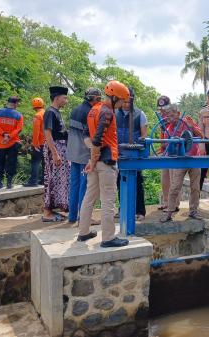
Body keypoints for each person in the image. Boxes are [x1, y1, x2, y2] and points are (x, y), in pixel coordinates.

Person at [78, 80, 129, 247]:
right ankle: (108, 238)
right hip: (106, 162)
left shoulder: (94, 109)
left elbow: (87, 136)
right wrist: (94, 159)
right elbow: (98, 139)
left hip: (95, 161)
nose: (122, 104)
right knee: (108, 200)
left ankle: (83, 233)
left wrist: (92, 158)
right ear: (114, 97)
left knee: (89, 197)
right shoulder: (107, 112)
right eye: (121, 100)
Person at [160, 104, 204, 222]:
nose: (171, 119)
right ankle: (170, 212)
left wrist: (192, 127)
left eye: (173, 116)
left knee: (195, 187)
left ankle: (193, 211)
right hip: (180, 161)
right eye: (168, 117)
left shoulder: (188, 122)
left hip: (194, 159)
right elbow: (166, 147)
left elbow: (201, 136)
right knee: (174, 187)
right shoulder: (169, 130)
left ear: (178, 114)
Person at [67, 88, 102, 224]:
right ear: (94, 99)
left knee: (74, 185)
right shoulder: (90, 112)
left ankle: (72, 216)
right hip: (83, 154)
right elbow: (91, 135)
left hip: (72, 152)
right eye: (98, 99)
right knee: (84, 186)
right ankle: (84, 217)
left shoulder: (75, 109)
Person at [116, 94, 148, 221]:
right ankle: (122, 209)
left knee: (138, 182)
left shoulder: (140, 114)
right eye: (124, 102)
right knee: (119, 182)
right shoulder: (114, 113)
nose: (126, 104)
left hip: (135, 155)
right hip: (119, 153)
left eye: (128, 102)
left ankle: (140, 211)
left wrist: (140, 148)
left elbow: (144, 135)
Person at [42, 86, 70, 222]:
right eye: (64, 98)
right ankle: (47, 212)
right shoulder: (50, 112)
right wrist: (55, 153)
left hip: (61, 148)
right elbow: (47, 133)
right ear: (57, 97)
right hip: (55, 149)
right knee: (51, 178)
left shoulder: (57, 112)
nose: (66, 100)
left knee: (60, 180)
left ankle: (54, 209)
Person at [0, 96, 24, 189]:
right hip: (13, 143)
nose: (18, 105)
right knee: (12, 162)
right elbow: (19, 129)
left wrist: (3, 134)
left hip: (0, 142)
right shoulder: (19, 115)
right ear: (14, 103)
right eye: (18, 103)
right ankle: (9, 183)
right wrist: (9, 136)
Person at [156, 95, 173, 211]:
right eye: (160, 109)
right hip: (165, 151)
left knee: (174, 179)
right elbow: (163, 134)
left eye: (164, 109)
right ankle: (166, 201)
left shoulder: (174, 117)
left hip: (174, 152)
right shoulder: (162, 120)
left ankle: (174, 204)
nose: (162, 111)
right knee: (165, 178)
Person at [24, 97, 45, 187]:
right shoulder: (47, 113)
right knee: (45, 162)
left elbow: (36, 131)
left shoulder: (37, 116)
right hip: (48, 142)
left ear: (34, 107)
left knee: (35, 162)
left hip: (39, 143)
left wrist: (35, 144)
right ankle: (44, 180)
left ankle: (33, 181)